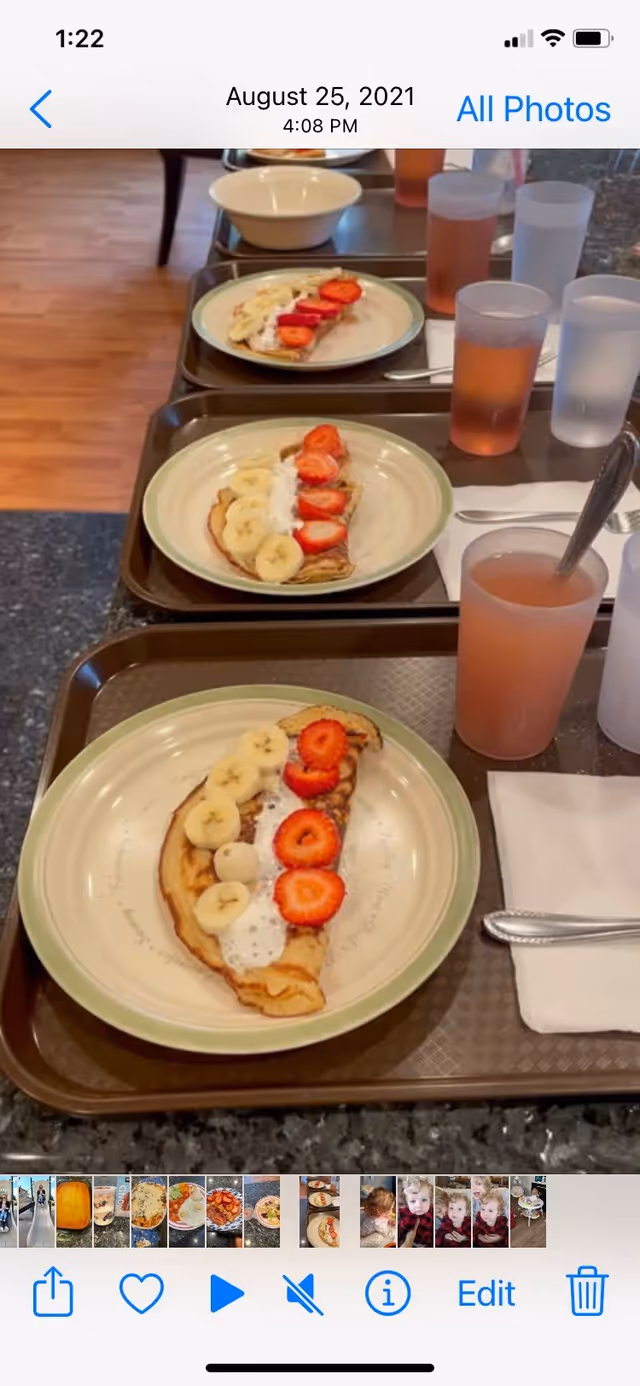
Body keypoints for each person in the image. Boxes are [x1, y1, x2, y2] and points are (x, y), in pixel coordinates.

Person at [398, 1176, 434, 1247]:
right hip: (413, 1244)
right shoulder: (407, 1218)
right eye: (413, 1201)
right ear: (407, 1203)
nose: (419, 1206)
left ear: (430, 1200)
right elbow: (400, 1235)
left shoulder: (432, 1210)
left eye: (424, 1200)